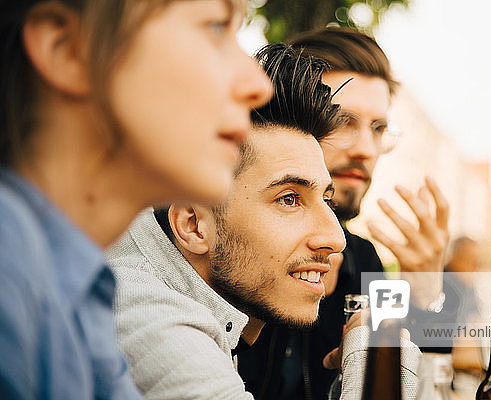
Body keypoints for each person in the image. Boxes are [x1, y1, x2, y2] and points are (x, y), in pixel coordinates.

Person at [107, 43, 422, 399]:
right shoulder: (148, 319)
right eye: (289, 199)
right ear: (193, 224)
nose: (336, 239)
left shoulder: (216, 294)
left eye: (326, 199)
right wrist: (378, 368)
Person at [0, 0, 271, 398]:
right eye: (215, 28)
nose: (258, 86)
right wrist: (380, 340)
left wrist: (397, 293)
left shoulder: (82, 285)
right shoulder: (18, 272)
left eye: (328, 198)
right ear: (69, 50)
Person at [238, 27, 450, 400]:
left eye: (379, 128)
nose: (366, 149)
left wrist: (427, 295)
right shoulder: (228, 244)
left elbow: (413, 380)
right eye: (342, 120)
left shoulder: (365, 259)